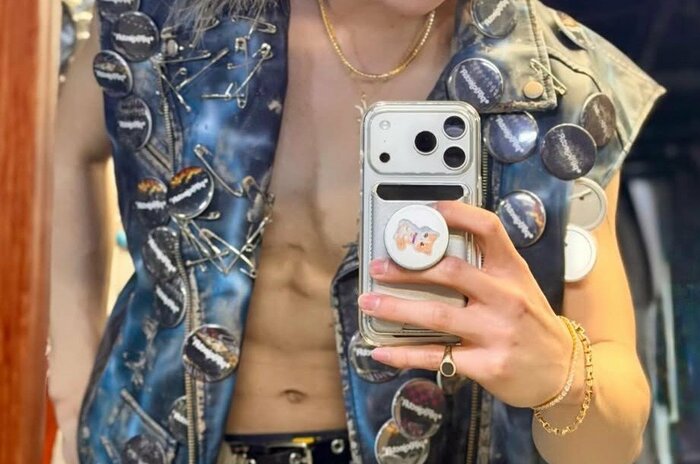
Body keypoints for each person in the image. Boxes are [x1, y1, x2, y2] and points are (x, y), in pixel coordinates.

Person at [48, 0, 666, 462]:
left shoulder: (562, 92)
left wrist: (559, 376)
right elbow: (67, 152)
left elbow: (615, 437)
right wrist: (70, 390)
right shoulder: (162, 21)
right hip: (156, 440)